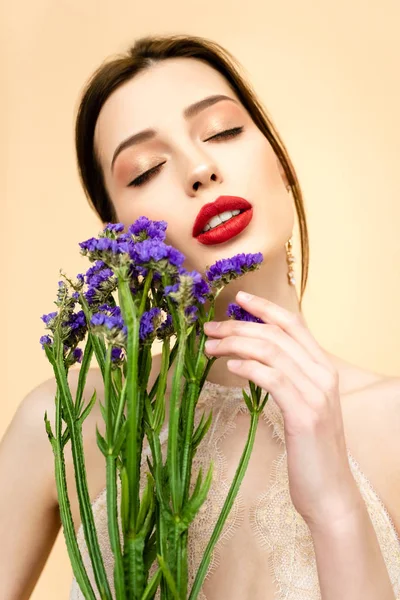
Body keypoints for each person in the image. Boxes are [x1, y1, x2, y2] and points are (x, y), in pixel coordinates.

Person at [1, 34, 400, 600]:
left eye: (223, 131)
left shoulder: (392, 425)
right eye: (143, 171)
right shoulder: (73, 422)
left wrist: (335, 505)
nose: (199, 168)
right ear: (120, 235)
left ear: (281, 163)